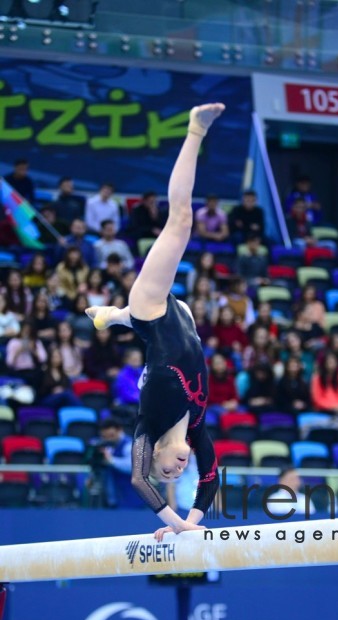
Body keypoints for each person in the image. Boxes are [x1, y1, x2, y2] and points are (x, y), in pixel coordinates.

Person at [85, 103, 224, 538]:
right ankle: (115, 316)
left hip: (153, 308)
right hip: (181, 318)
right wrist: (193, 525)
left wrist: (174, 523)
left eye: (167, 470)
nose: (176, 470)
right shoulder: (196, 430)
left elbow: (137, 480)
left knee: (180, 221)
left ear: (157, 456)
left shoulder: (148, 423)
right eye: (176, 473)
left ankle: (194, 129)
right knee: (181, 230)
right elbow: (210, 480)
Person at [87, 418, 133, 508]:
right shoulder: (105, 446)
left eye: (111, 436)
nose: (108, 439)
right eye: (104, 436)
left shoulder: (129, 445)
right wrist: (91, 477)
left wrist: (111, 461)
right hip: (111, 496)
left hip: (130, 497)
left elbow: (133, 467)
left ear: (119, 430)